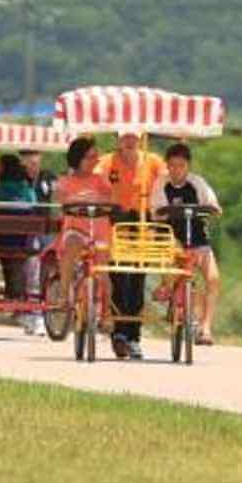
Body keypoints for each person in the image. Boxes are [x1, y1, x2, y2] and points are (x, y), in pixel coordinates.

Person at [95, 130, 167, 360]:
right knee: (119, 276)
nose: (129, 141)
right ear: (118, 139)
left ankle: (133, 336)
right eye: (125, 137)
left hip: (143, 223)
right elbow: (96, 181)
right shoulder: (108, 162)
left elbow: (165, 183)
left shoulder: (152, 161)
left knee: (137, 277)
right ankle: (120, 333)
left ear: (140, 139)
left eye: (134, 137)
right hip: (116, 223)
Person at [151, 143, 223, 345]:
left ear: (188, 166)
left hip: (198, 237)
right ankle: (167, 285)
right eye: (172, 165)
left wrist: (213, 208)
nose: (176, 170)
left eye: (181, 166)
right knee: (176, 263)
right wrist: (163, 212)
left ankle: (206, 327)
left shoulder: (197, 183)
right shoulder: (161, 184)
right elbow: (155, 210)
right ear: (167, 165)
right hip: (172, 236)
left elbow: (211, 203)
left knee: (213, 279)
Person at [56, 136, 113, 330]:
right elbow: (62, 200)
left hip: (98, 231)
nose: (95, 161)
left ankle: (106, 313)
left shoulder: (100, 180)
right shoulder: (66, 181)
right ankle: (63, 296)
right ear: (78, 159)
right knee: (71, 246)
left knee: (104, 272)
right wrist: (75, 200)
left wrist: (101, 200)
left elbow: (109, 198)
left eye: (96, 157)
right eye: (90, 157)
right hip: (76, 228)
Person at [0, 153, 45, 335]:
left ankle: (5, 294)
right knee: (17, 261)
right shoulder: (28, 191)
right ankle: (19, 301)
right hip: (23, 244)